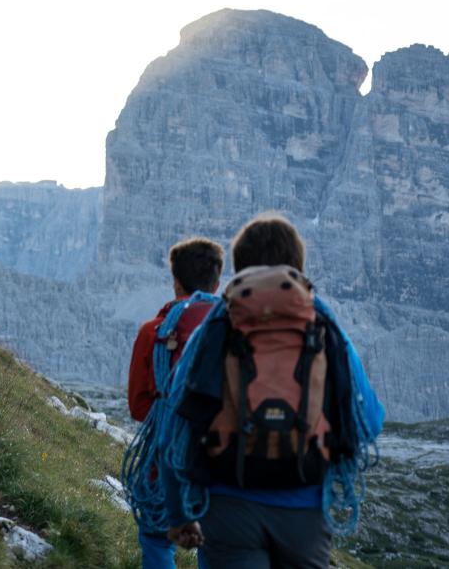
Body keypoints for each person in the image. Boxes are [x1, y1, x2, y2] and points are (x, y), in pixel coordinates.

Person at [159, 214, 385, 569]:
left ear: (238, 267)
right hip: (305, 513)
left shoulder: (217, 324)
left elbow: (175, 425)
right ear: (298, 265)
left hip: (228, 508)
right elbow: (368, 422)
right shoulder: (323, 324)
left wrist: (177, 515)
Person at [126, 238, 223, 568]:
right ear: (218, 281)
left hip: (163, 463)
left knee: (156, 539)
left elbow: (139, 408)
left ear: (176, 282)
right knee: (219, 549)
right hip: (224, 466)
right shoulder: (237, 331)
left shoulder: (153, 332)